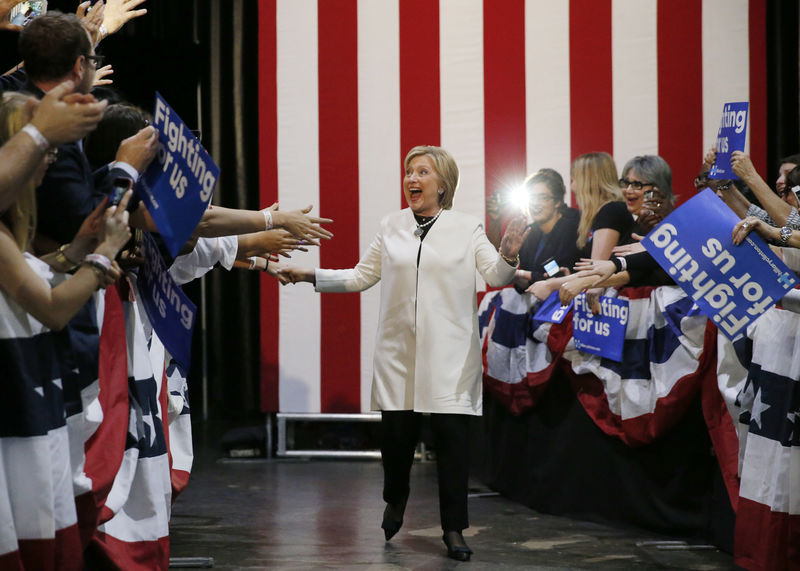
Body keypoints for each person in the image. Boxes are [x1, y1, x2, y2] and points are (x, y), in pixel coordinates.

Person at [278, 145, 529, 561]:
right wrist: (309, 276)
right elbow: (361, 277)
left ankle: (453, 530)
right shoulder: (391, 225)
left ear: (442, 184)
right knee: (396, 445)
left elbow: (496, 275)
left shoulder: (466, 228)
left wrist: (509, 251)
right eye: (409, 171)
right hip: (398, 354)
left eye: (422, 172)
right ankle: (395, 499)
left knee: (452, 446)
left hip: (450, 357)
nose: (412, 179)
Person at [0, 90, 132, 570]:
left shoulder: (13, 231)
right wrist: (103, 256)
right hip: (15, 415)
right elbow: (53, 309)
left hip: (31, 405)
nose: (48, 162)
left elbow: (34, 271)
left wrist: (78, 249)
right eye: (43, 148)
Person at [527, 152, 633, 301]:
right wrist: (568, 277)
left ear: (589, 181)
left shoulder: (610, 211)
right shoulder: (603, 213)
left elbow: (597, 273)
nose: (572, 187)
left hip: (616, 299)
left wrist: (551, 284)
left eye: (574, 180)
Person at [511, 168, 580, 292]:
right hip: (536, 303)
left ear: (558, 201)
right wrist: (510, 271)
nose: (535, 204)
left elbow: (558, 275)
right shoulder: (529, 232)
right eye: (531, 198)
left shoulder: (572, 227)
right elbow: (524, 287)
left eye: (542, 198)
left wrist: (520, 274)